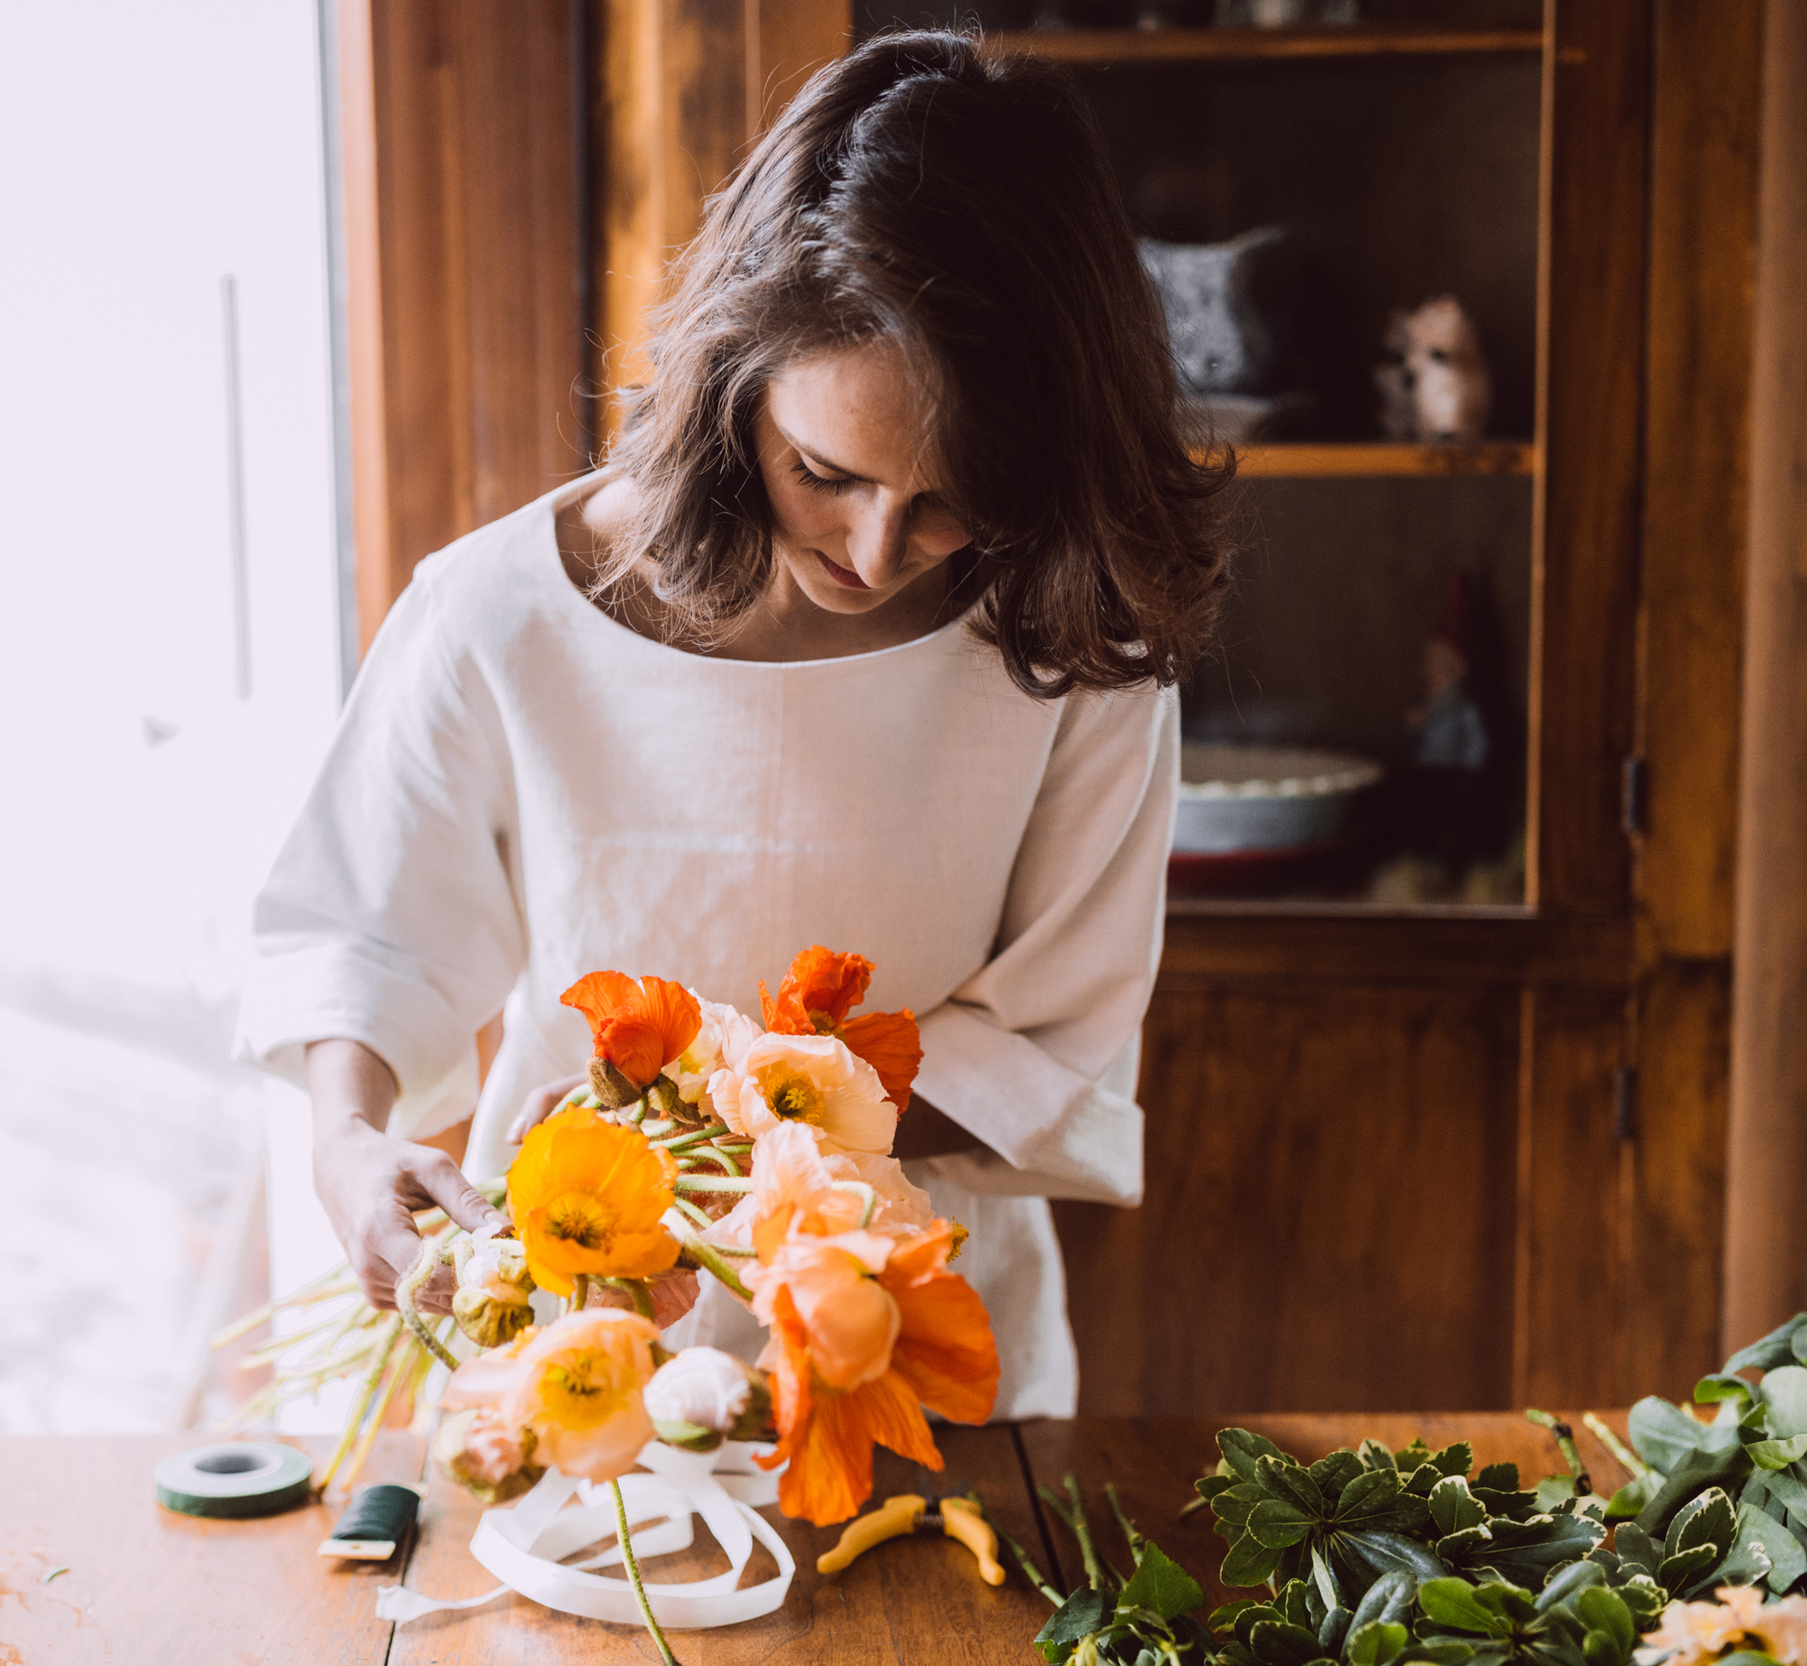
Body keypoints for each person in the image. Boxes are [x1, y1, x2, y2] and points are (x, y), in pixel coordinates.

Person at [238, 29, 1230, 1417]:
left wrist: (749, 1131)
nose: (879, 550)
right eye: (827, 471)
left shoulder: (1081, 649)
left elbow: (1053, 1040)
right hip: (576, 1342)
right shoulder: (504, 613)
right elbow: (366, 932)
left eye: (953, 502)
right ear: (738, 374)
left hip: (924, 1350)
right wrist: (346, 1141)